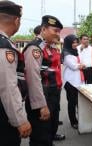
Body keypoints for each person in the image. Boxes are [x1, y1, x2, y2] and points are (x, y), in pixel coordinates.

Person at [23, 15, 65, 146]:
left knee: (49, 134)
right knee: (40, 138)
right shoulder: (35, 48)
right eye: (55, 31)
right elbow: (33, 79)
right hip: (41, 100)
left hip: (51, 95)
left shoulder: (48, 47)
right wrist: (42, 105)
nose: (57, 34)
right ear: (44, 29)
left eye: (59, 31)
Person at [0, 1, 32, 146]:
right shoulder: (4, 46)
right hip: (3, 115)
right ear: (17, 20)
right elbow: (8, 87)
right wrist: (20, 120)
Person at [62, 34, 85, 129]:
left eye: (76, 42)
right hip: (71, 82)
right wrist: (81, 65)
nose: (75, 44)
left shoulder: (75, 51)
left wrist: (80, 64)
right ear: (68, 43)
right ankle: (73, 121)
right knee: (72, 103)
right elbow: (74, 66)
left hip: (78, 81)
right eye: (73, 42)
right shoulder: (66, 54)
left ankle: (80, 119)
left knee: (78, 102)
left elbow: (79, 63)